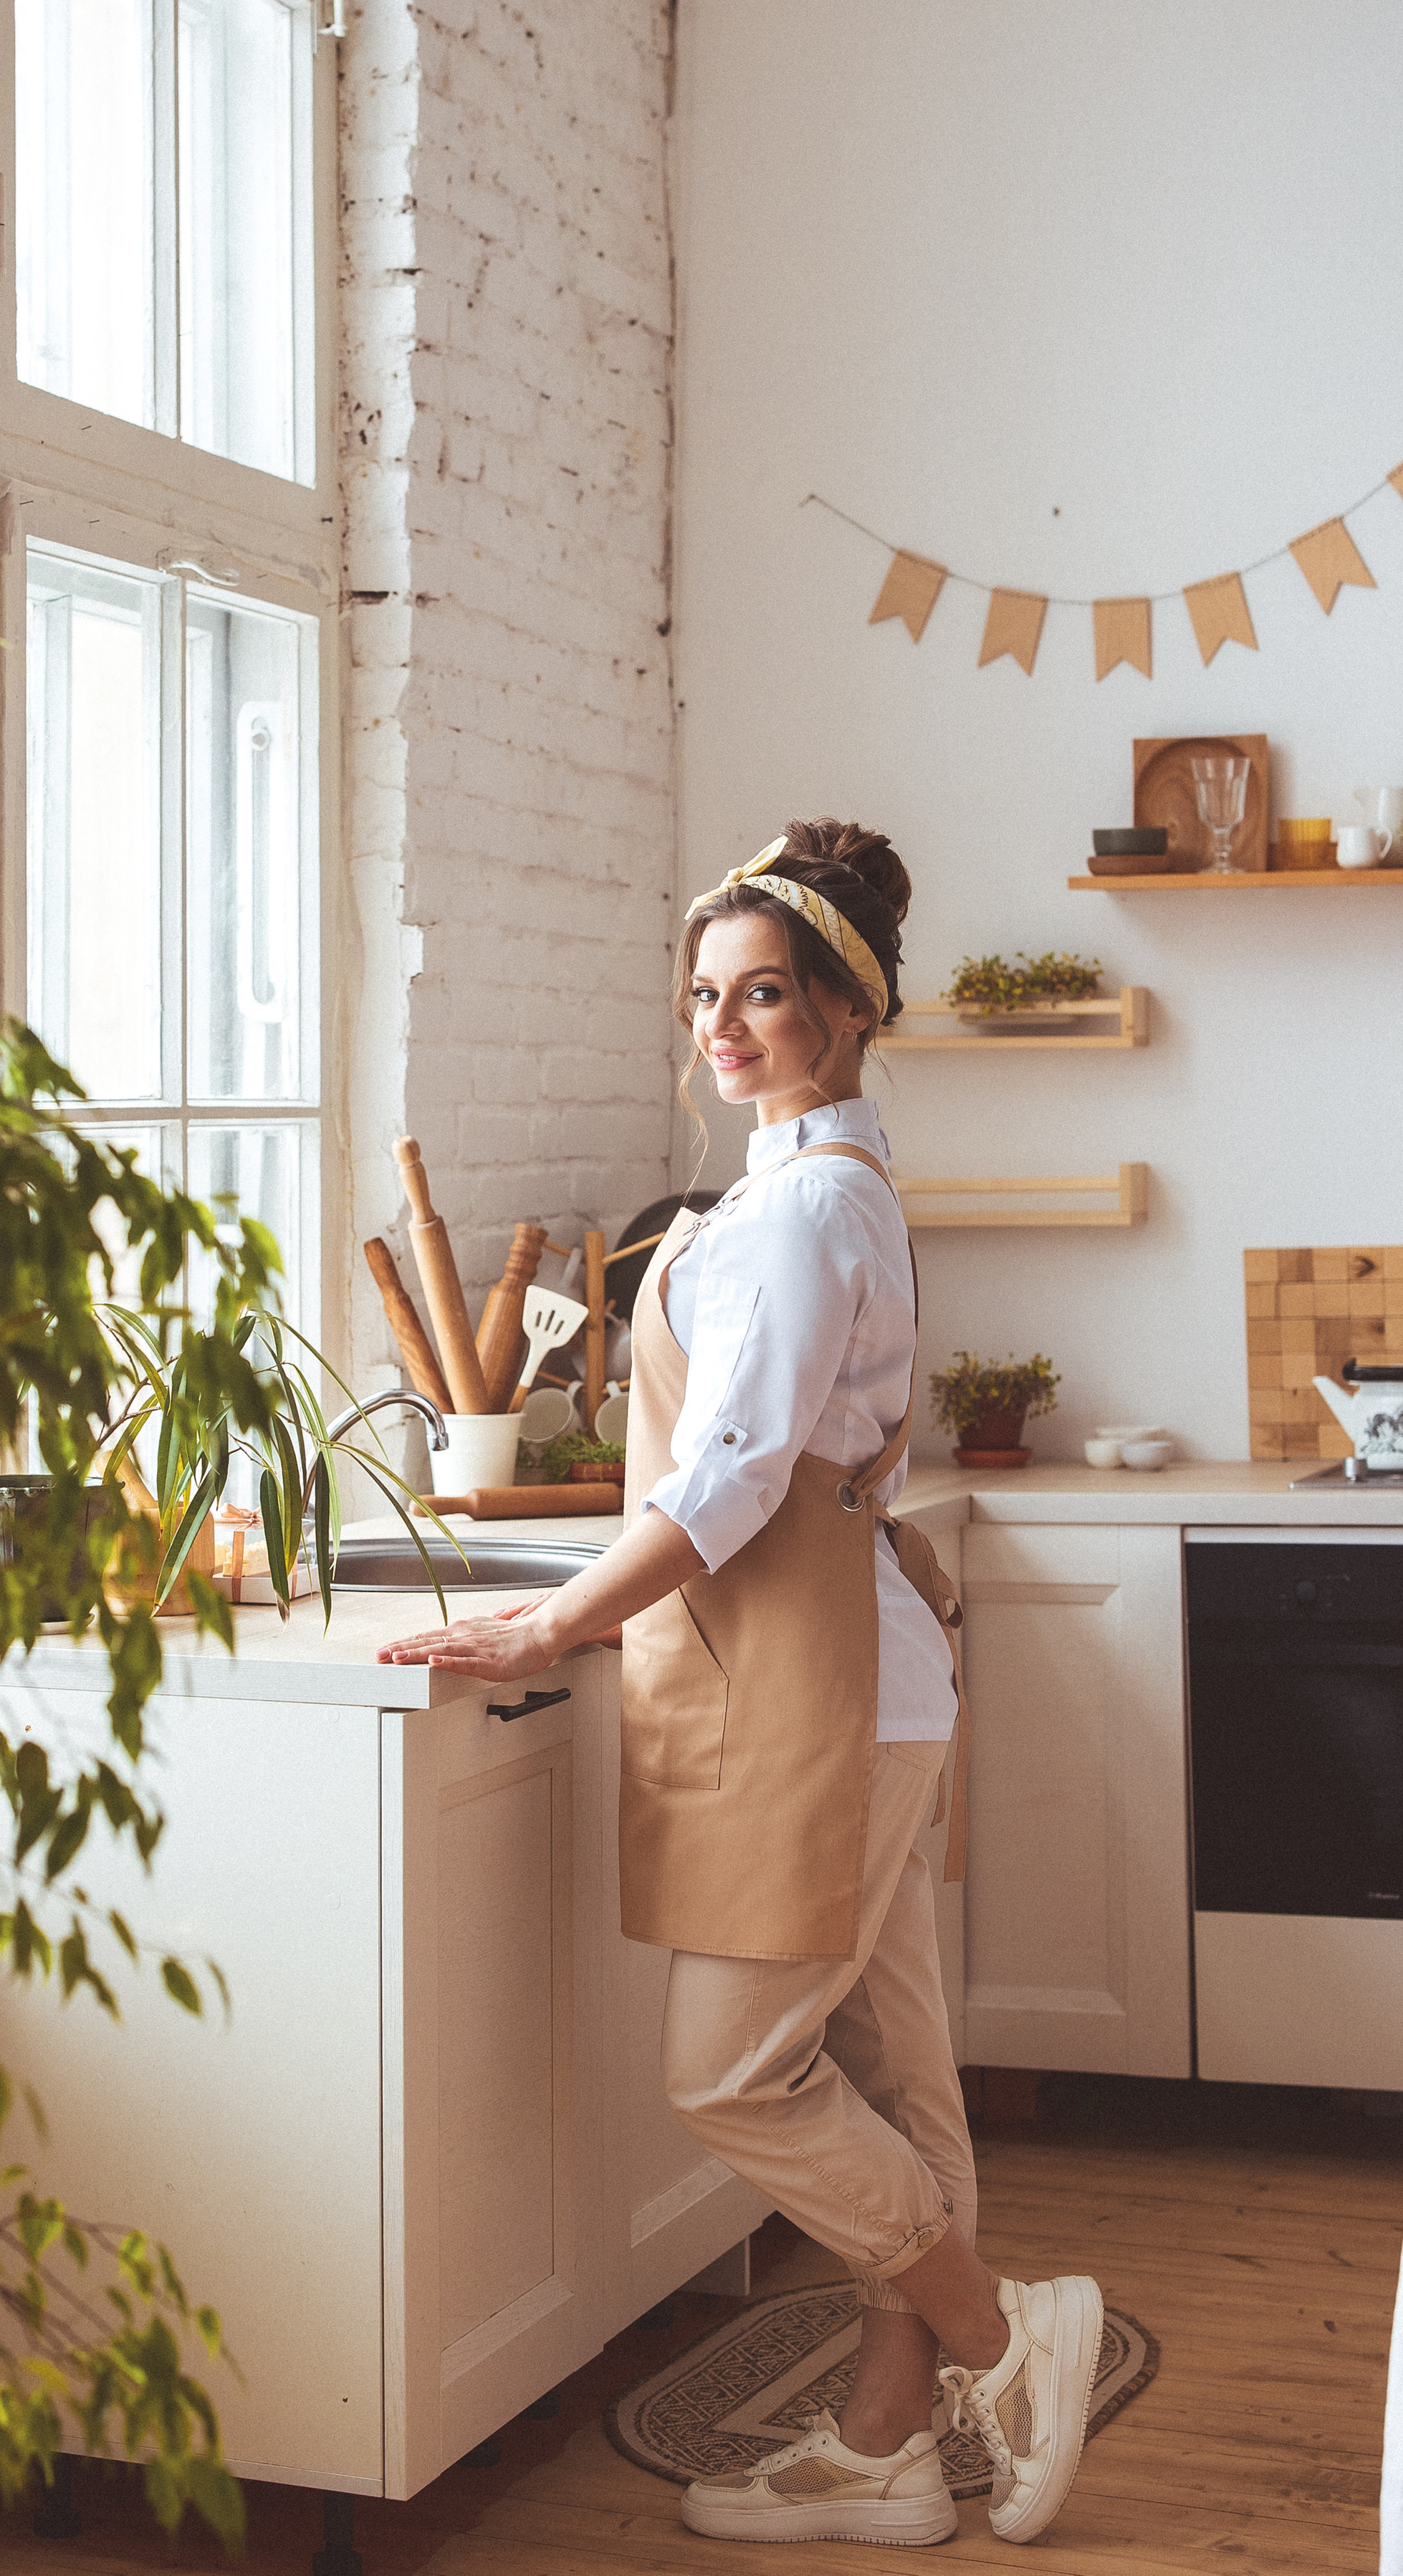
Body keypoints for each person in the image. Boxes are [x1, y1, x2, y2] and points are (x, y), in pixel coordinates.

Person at [375, 818, 1103, 2549]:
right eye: (702, 994)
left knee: (730, 2073)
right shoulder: (804, 1193)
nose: (721, 1026)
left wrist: (546, 1625)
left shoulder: (793, 1216)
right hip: (860, 1682)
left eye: (761, 995)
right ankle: (885, 2445)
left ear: (844, 1015)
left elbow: (725, 1485)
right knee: (894, 2069)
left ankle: (1008, 2343)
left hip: (819, 1699)